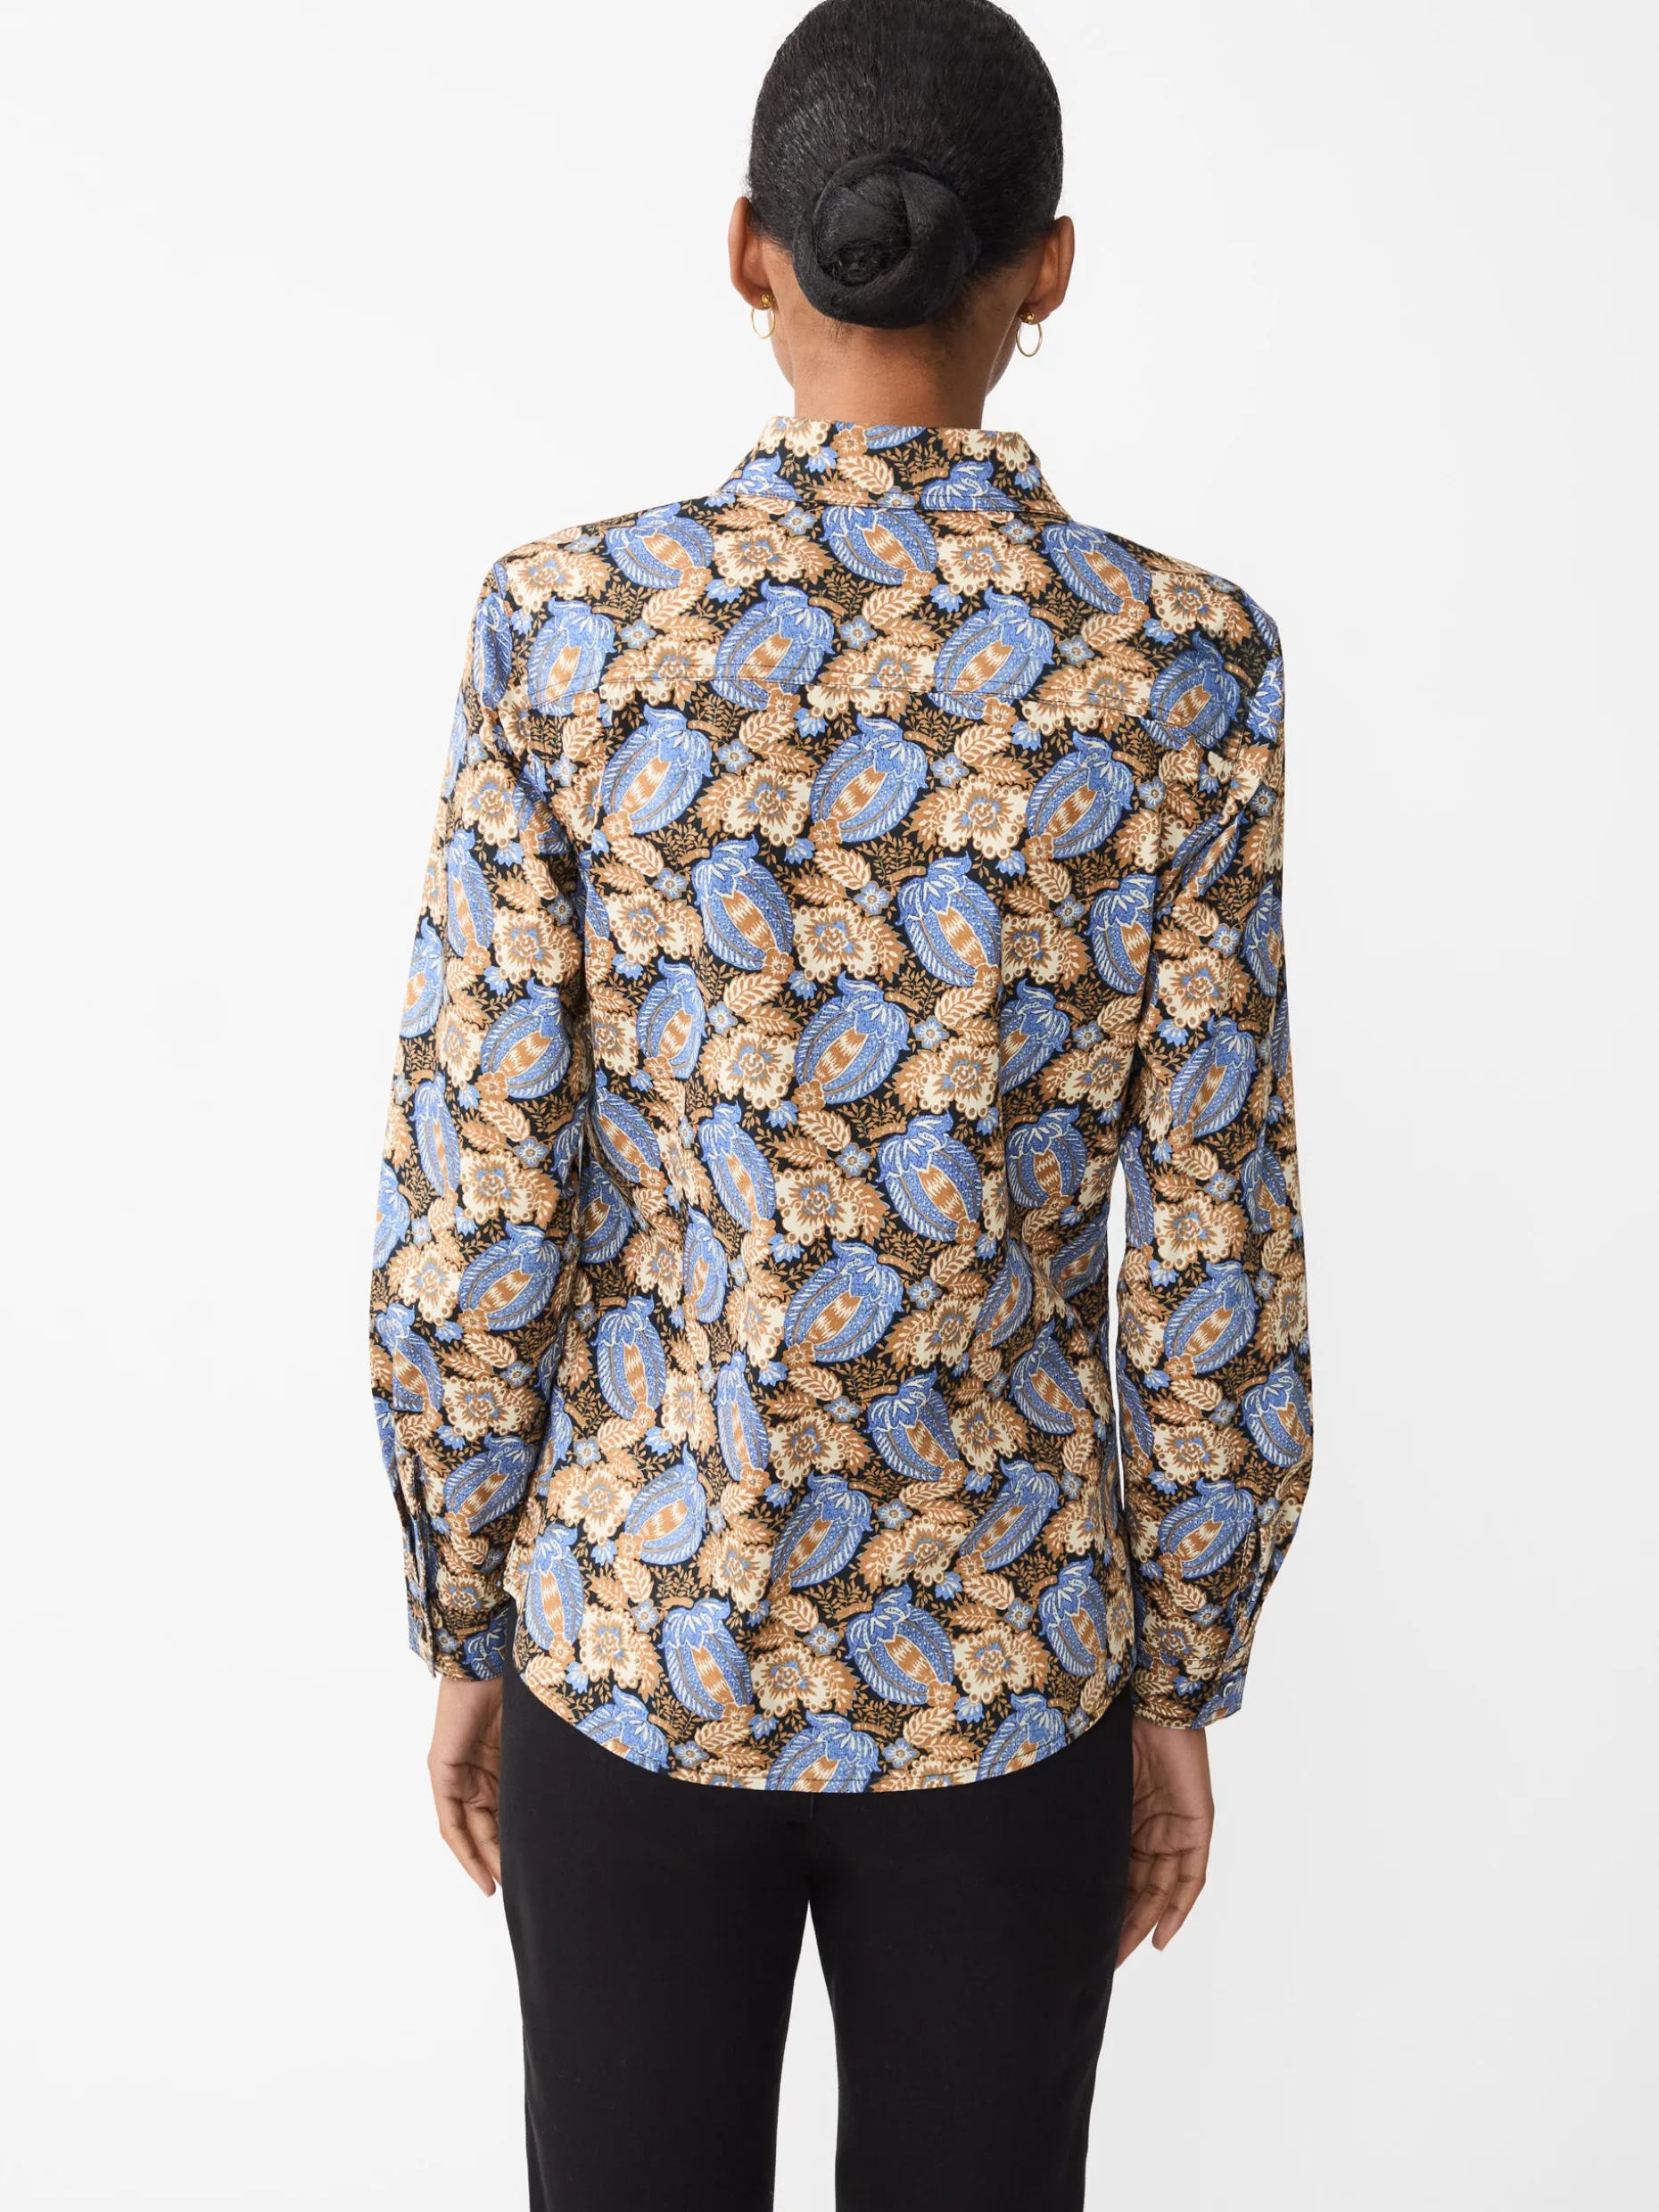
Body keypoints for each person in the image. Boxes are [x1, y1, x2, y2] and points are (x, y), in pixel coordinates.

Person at [367, 3, 1313, 2205]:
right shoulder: (1184, 667)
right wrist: (1181, 1668)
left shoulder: (570, 632)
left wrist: (468, 1612)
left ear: (748, 249)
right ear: (1047, 268)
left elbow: (481, 1183)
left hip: (632, 1638)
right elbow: (1216, 1228)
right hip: (1012, 1670)